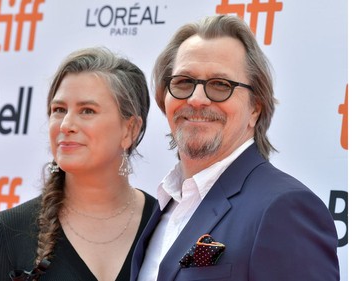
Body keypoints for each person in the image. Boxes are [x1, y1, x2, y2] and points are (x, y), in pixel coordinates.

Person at [131, 15, 340, 281]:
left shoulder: (283, 209)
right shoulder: (163, 207)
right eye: (183, 82)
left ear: (255, 108)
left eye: (221, 85)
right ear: (164, 98)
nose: (196, 99)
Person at [0, 46, 156, 281]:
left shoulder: (165, 225)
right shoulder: (8, 231)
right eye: (59, 110)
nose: (66, 124)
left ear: (130, 129)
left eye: (87, 110)